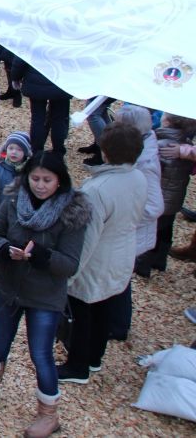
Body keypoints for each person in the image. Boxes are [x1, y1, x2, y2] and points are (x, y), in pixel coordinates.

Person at [0, 151, 91, 437]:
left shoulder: (71, 212)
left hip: (44, 295)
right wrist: (4, 249)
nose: (39, 185)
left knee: (40, 353)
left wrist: (39, 255)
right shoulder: (14, 198)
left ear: (59, 181)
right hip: (9, 285)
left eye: (46, 180)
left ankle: (48, 413)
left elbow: (70, 264)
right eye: (35, 178)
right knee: (0, 336)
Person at [60, 121, 147, 384]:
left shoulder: (96, 189)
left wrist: (70, 273)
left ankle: (77, 366)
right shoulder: (139, 177)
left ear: (105, 150)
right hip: (123, 253)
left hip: (96, 259)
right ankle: (95, 358)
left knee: (84, 310)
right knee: (105, 306)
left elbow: (86, 238)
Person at [117, 105, 164, 279]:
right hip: (128, 235)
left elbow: (155, 206)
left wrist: (122, 220)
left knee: (120, 282)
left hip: (133, 237)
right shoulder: (140, 150)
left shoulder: (146, 163)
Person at [146, 114, 196, 270]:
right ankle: (160, 260)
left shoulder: (160, 143)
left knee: (153, 228)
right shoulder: (184, 141)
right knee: (166, 227)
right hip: (174, 199)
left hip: (158, 198)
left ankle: (143, 264)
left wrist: (184, 151)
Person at [10, 57, 71, 155]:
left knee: (37, 119)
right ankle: (58, 150)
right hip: (61, 80)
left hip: (36, 81)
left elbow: (21, 57)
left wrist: (15, 77)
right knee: (59, 120)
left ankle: (37, 151)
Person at [0, 131, 32, 224]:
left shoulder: (31, 172)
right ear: (5, 149)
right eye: (11, 148)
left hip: (23, 220)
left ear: (26, 152)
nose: (14, 152)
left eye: (19, 149)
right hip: (0, 219)